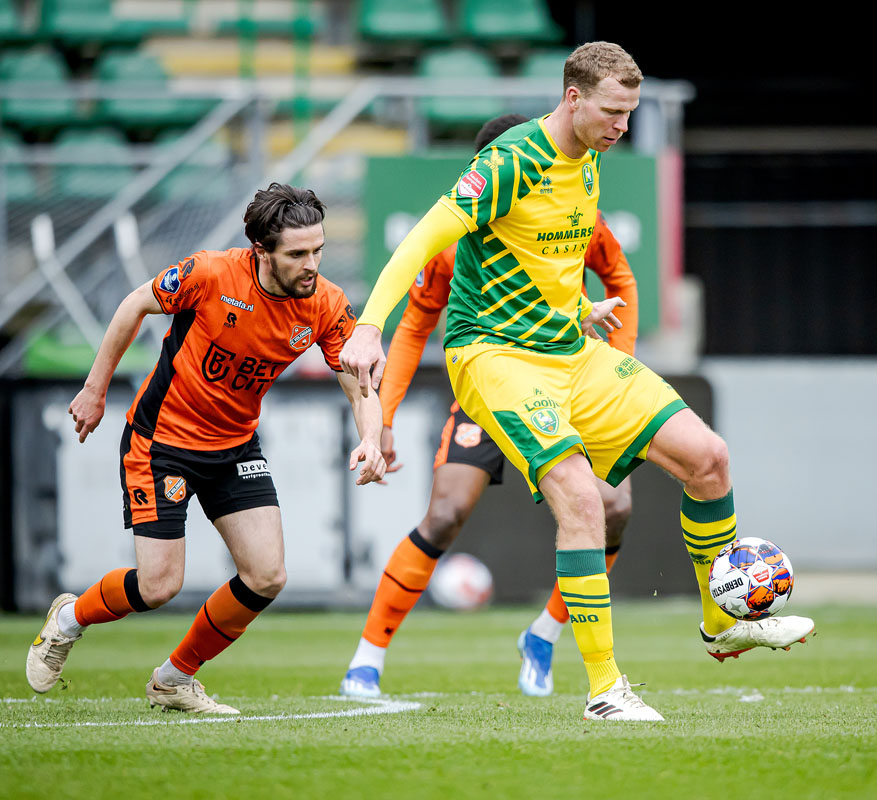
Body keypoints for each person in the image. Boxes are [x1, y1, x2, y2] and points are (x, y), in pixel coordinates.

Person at [339, 41, 815, 722]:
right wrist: (367, 328)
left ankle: (722, 623)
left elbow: (549, 260)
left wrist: (579, 309)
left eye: (631, 113)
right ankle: (603, 688)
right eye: (614, 112)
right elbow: (419, 239)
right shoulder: (510, 161)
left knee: (708, 457)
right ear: (573, 98)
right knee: (581, 502)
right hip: (496, 359)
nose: (623, 126)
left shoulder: (589, 159)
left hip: (569, 350)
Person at [26, 183, 387, 714]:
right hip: (162, 442)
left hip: (236, 446)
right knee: (158, 587)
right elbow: (133, 306)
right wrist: (95, 388)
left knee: (267, 575)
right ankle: (68, 620)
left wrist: (372, 439)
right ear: (260, 250)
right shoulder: (211, 273)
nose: (312, 265)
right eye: (297, 254)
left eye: (318, 251)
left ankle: (174, 679)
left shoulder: (325, 304)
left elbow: (359, 385)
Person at [340, 115, 639, 700]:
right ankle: (367, 657)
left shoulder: (574, 212)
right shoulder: (455, 239)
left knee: (615, 507)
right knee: (446, 513)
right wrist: (388, 418)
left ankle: (545, 634)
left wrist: (619, 370)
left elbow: (620, 275)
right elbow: (413, 328)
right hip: (491, 390)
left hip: (565, 381)